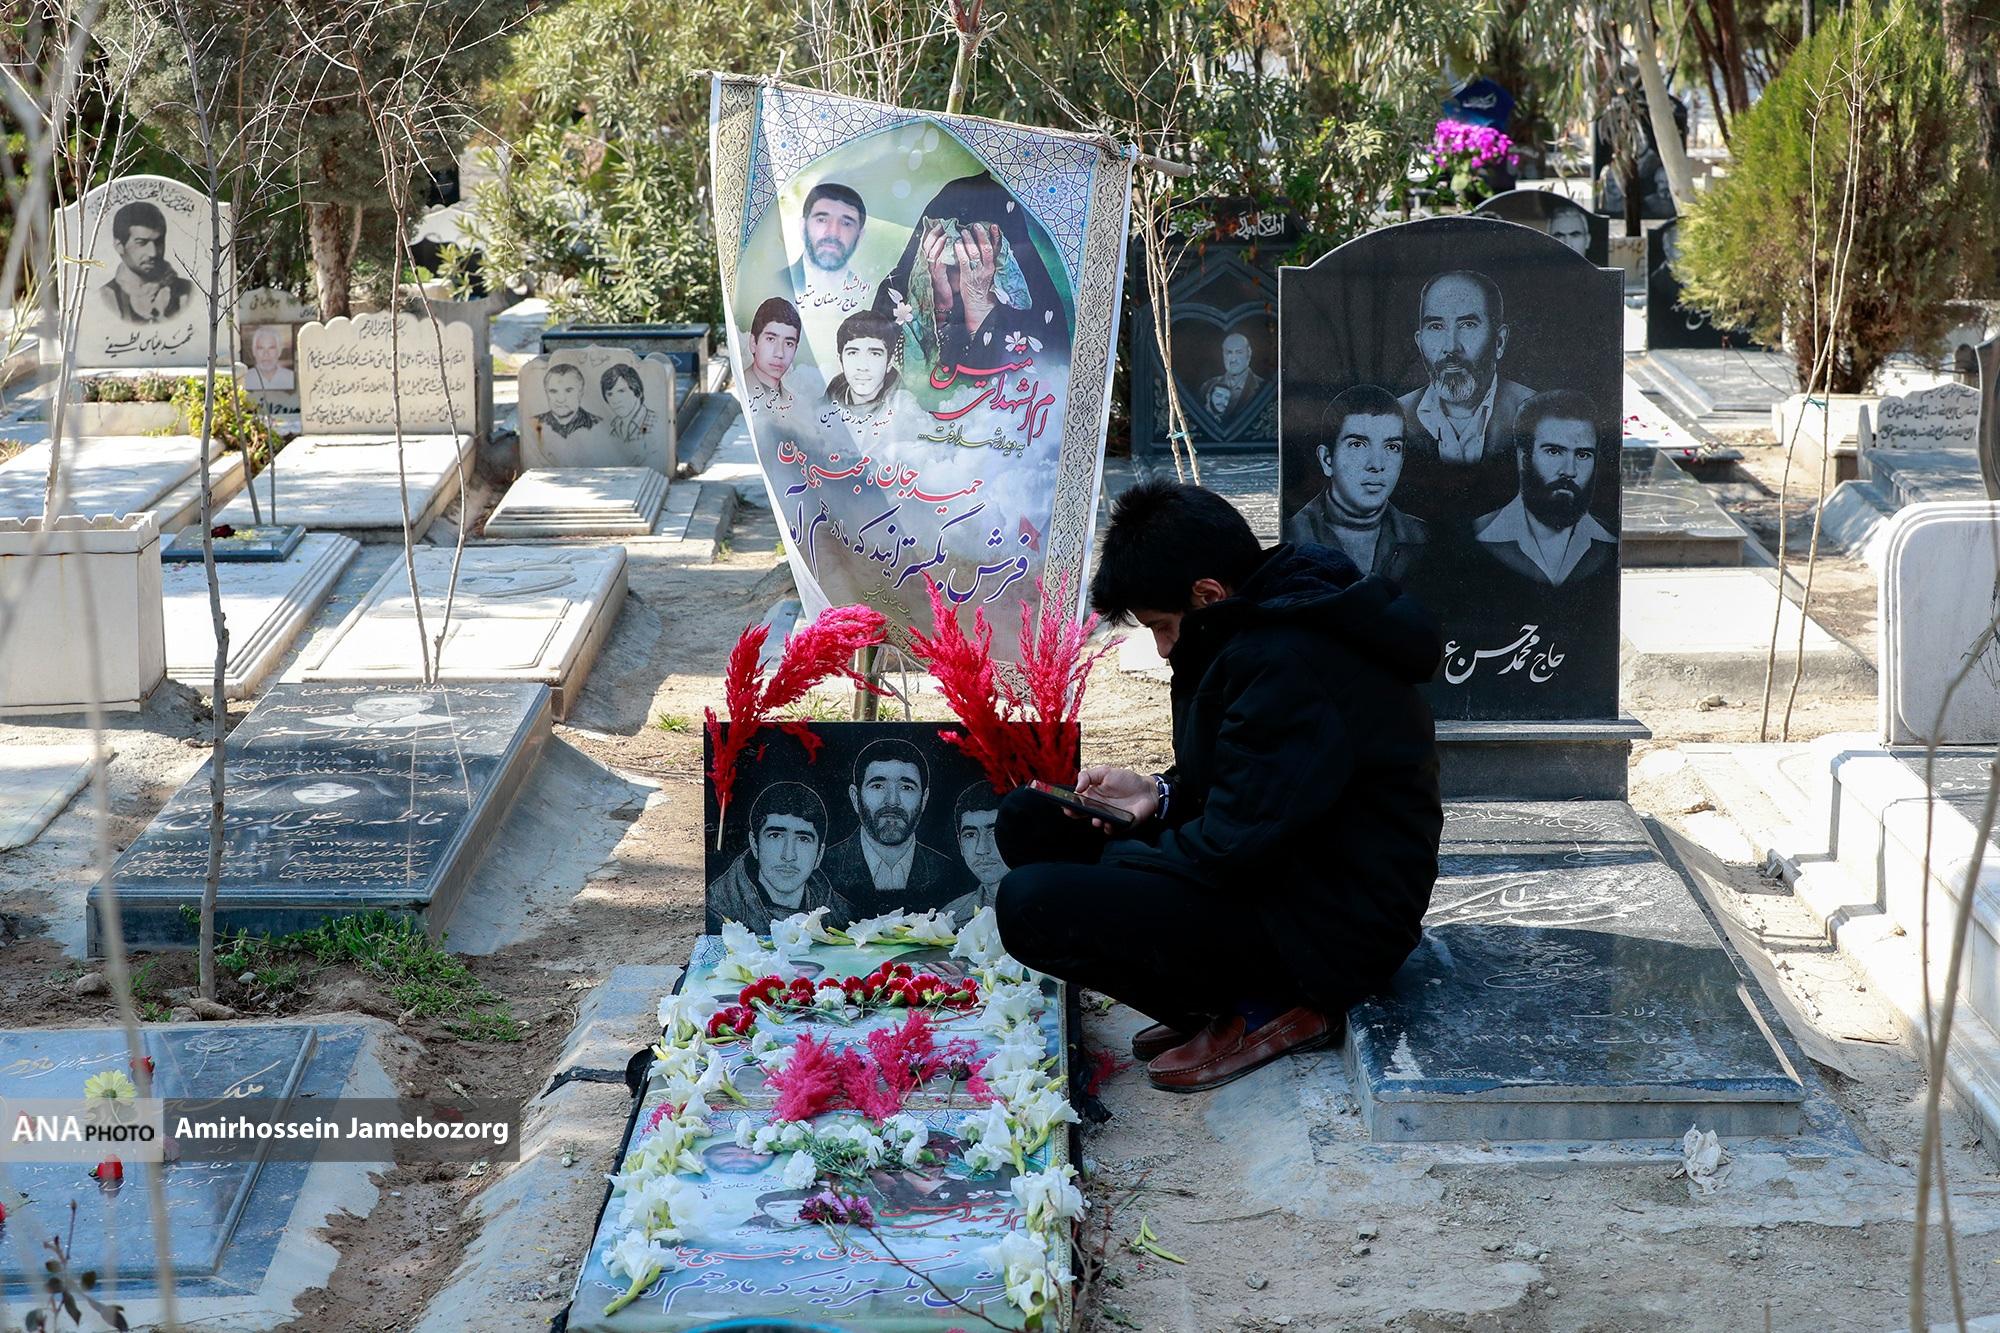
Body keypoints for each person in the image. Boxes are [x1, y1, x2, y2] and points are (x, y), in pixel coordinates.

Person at [993, 481, 1443, 1093]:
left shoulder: (1289, 657)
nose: (1161, 648)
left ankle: (1264, 1005)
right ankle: (1217, 999)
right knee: (1032, 818)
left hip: (1330, 930)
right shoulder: (1255, 625)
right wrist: (1158, 796)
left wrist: (1119, 863)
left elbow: (1232, 845)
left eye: (1161, 626)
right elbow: (1251, 781)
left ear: (1207, 594)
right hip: (1285, 874)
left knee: (1032, 904)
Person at [873, 171, 1068, 372]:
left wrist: (980, 314)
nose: (967, 267)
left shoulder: (1034, 312)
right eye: (951, 253)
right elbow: (884, 376)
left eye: (978, 254)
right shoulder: (895, 293)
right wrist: (936, 311)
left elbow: (1040, 374)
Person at [1396, 269, 1537, 524]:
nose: (1451, 347)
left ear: (1499, 341)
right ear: (1420, 342)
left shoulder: (1539, 416)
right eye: (1436, 326)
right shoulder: (1393, 418)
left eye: (1468, 325)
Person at [1284, 384, 1429, 582]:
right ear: (1327, 460)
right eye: (1358, 445)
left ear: (1402, 459)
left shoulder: (1425, 538)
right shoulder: (1290, 539)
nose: (1376, 465)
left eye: (1391, 447)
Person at [1471, 390, 1616, 587]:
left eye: (1582, 455)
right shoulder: (1479, 535)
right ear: (1523, 457)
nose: (1569, 471)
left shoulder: (1610, 540)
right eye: (1554, 451)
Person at [822, 738, 970, 918]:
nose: (892, 801)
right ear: (855, 797)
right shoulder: (822, 869)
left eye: (906, 787)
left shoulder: (950, 873)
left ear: (924, 799)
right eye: (878, 786)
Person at [706, 782, 842, 932]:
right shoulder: (717, 911)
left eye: (803, 839)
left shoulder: (841, 914)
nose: (788, 856)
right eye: (775, 836)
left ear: (819, 854)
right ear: (754, 844)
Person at [789, 181, 873, 362]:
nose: (833, 232)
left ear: (860, 236)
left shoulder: (870, 300)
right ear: (803, 227)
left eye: (846, 223)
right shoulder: (772, 284)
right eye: (822, 219)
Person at [822, 310, 922, 433]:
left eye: (875, 354)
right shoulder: (832, 395)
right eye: (853, 353)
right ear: (840, 361)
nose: (863, 366)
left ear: (889, 362)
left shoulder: (906, 413)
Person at [98, 200, 194, 325]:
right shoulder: (106, 297)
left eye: (158, 242)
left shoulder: (186, 292)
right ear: (119, 246)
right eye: (141, 243)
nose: (153, 253)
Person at [945, 783, 1008, 923]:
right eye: (970, 835)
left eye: (994, 832)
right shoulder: (949, 917)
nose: (982, 849)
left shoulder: (1052, 905)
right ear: (960, 844)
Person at [1197, 331, 1263, 417]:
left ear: (1249, 353)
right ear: (1223, 355)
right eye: (1229, 353)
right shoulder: (1207, 386)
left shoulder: (1263, 387)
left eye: (1239, 352)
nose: (1233, 359)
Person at [535, 362, 599, 438]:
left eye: (568, 391)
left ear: (581, 392)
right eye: (553, 391)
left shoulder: (598, 424)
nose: (561, 399)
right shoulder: (533, 423)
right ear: (546, 393)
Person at [601, 363, 659, 443]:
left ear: (638, 392)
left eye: (621, 391)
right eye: (610, 394)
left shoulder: (656, 423)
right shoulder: (613, 430)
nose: (615, 400)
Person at [242, 325, 294, 391]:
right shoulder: (244, 379)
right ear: (254, 351)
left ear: (279, 351)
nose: (266, 354)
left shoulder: (291, 377)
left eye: (271, 348)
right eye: (261, 348)